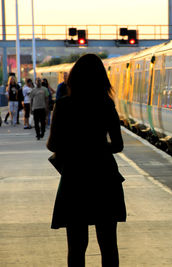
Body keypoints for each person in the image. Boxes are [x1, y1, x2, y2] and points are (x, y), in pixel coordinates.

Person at [47, 54, 126, 267]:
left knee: (76, 246)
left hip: (75, 179)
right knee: (109, 244)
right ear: (102, 78)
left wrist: (75, 149)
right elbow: (118, 145)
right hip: (104, 177)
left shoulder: (63, 105)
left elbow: (52, 145)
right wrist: (98, 148)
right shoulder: (106, 104)